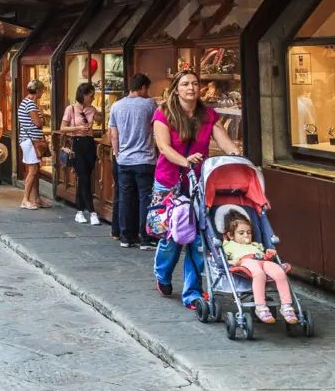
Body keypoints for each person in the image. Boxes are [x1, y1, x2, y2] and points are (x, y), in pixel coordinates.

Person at [153, 69, 240, 309]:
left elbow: (223, 140)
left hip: (200, 183)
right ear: (176, 89)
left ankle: (192, 292)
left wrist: (235, 156)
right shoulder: (164, 114)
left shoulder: (208, 115)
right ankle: (162, 274)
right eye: (185, 84)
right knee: (172, 236)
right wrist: (185, 161)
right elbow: (164, 147)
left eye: (194, 83)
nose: (190, 88)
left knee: (199, 239)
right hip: (169, 182)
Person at [109, 73, 158, 250]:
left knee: (125, 199)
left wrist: (117, 154)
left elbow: (113, 135)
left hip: (125, 160)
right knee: (145, 198)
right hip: (145, 159)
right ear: (143, 87)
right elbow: (157, 129)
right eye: (147, 88)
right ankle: (145, 238)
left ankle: (126, 237)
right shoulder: (150, 104)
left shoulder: (116, 106)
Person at [221, 214, 298, 324]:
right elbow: (224, 260)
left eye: (248, 233)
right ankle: (260, 307)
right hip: (245, 262)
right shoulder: (229, 245)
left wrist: (269, 255)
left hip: (262, 261)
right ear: (231, 235)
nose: (246, 236)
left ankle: (286, 306)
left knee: (279, 272)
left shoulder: (256, 245)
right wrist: (234, 262)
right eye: (241, 233)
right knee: (259, 273)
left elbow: (263, 256)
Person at [62, 82, 101, 226]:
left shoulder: (92, 109)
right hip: (77, 143)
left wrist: (99, 116)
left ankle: (79, 211)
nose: (93, 98)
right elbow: (62, 128)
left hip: (89, 144)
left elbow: (99, 121)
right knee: (83, 177)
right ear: (83, 95)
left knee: (85, 178)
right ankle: (92, 212)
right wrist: (77, 127)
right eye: (91, 96)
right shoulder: (70, 109)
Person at [18, 79, 50, 210]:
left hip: (29, 140)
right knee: (32, 171)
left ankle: (37, 198)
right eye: (42, 90)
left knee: (35, 171)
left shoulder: (24, 102)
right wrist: (41, 117)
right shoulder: (30, 104)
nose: (43, 92)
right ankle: (25, 200)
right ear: (37, 91)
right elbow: (38, 123)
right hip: (30, 141)